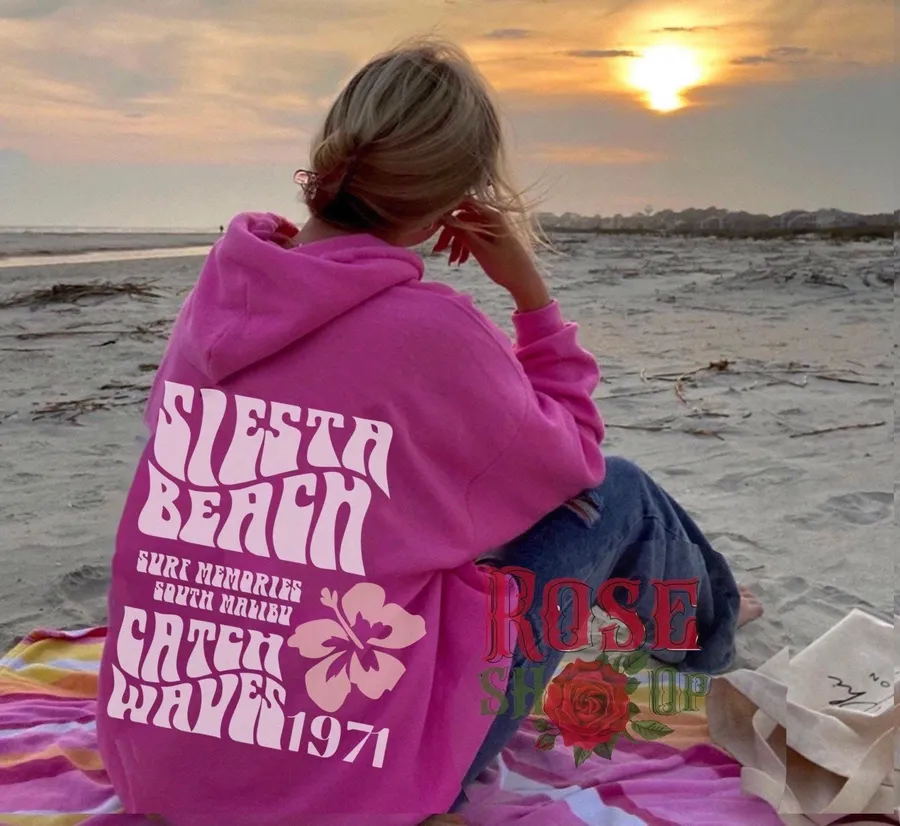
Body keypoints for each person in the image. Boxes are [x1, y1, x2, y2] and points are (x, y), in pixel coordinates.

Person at [96, 36, 761, 826]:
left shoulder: (218, 299)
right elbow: (575, 457)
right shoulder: (430, 330)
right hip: (346, 785)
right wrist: (530, 294)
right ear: (457, 196)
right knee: (619, 492)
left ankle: (716, 605)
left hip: (163, 760)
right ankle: (711, 640)